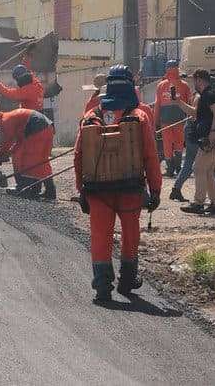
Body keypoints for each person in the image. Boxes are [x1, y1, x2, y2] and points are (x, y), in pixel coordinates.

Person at [74, 65, 161, 302]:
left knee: (100, 235)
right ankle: (127, 280)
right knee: (130, 234)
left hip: (97, 191)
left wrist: (82, 190)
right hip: (130, 189)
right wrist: (155, 189)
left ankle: (103, 285)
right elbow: (151, 156)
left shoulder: (91, 117)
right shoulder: (140, 116)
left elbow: (78, 155)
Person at [172, 69, 215, 215]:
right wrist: (178, 102)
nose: (193, 83)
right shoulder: (205, 95)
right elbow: (195, 113)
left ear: (199, 79)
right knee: (208, 171)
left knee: (198, 168)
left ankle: (198, 203)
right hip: (208, 137)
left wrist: (213, 132)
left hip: (210, 138)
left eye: (194, 80)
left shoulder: (209, 94)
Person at [0, 107, 56, 199]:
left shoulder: (5, 121)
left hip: (37, 130)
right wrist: (11, 151)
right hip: (47, 128)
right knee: (41, 161)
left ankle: (29, 190)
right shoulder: (12, 117)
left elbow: (8, 141)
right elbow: (19, 141)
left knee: (28, 160)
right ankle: (50, 191)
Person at [153, 60, 191, 177]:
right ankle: (178, 168)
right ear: (177, 69)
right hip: (180, 119)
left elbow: (157, 105)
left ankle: (170, 169)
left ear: (166, 70)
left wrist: (155, 122)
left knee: (167, 144)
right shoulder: (184, 85)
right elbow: (189, 103)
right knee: (179, 143)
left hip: (165, 120)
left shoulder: (161, 85)